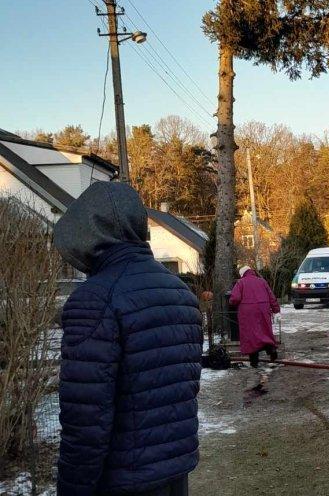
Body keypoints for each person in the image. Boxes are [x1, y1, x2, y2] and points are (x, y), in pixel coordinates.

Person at [53, 181, 202, 496]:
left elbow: (86, 420)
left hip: (122, 480)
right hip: (175, 473)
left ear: (87, 234)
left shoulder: (95, 300)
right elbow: (184, 389)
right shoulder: (180, 292)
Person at [229, 265, 281, 367]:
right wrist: (276, 309)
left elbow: (235, 298)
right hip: (263, 309)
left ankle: (254, 361)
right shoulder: (262, 281)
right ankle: (272, 350)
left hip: (247, 312)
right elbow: (271, 296)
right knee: (265, 331)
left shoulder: (240, 282)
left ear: (242, 274)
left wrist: (231, 303)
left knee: (250, 335)